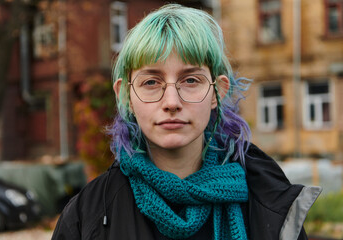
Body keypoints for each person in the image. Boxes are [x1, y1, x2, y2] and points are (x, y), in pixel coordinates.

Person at [52, 4, 321, 240]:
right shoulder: (88, 215)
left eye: (190, 80)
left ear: (217, 92)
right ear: (126, 95)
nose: (171, 101)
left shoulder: (268, 201)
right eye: (151, 82)